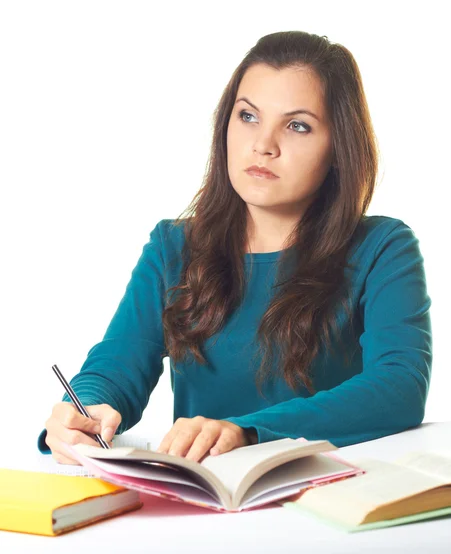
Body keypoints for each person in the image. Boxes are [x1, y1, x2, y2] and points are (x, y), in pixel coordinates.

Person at [38, 30, 433, 465]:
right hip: (202, 500)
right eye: (248, 117)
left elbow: (400, 386)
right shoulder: (173, 247)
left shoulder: (383, 247)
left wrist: (247, 432)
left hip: (330, 498)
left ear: (338, 147)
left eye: (297, 125)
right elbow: (117, 363)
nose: (263, 145)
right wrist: (85, 410)